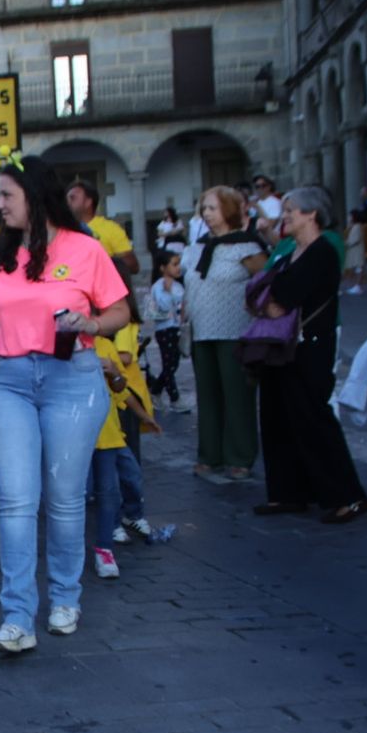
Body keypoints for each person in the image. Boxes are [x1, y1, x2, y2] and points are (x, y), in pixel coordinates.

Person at [0, 153, 131, 652]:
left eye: (6, 196)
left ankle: (66, 597)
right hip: (8, 380)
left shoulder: (85, 249)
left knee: (64, 500)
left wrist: (91, 325)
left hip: (72, 377)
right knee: (17, 501)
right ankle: (18, 616)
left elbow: (121, 310)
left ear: (35, 196)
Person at [252, 186, 367, 523]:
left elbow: (282, 295)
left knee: (312, 416)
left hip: (310, 343)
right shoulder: (290, 250)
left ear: (311, 214)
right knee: (276, 415)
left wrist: (271, 295)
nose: (284, 216)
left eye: (291, 210)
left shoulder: (323, 250)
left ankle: (347, 494)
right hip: (282, 345)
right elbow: (264, 292)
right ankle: (289, 492)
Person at [181, 186, 265, 479]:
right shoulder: (195, 248)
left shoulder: (247, 246)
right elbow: (190, 286)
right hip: (201, 330)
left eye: (213, 208)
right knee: (207, 395)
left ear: (228, 210)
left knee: (237, 395)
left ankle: (240, 456)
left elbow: (265, 282)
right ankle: (210, 454)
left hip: (234, 330)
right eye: (204, 208)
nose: (206, 213)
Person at [91, 295, 161, 578]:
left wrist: (113, 374)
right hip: (73, 437)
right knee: (76, 497)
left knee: (111, 489)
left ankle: (106, 546)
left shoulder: (106, 346)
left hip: (108, 436)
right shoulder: (59, 348)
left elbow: (121, 388)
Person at [66, 181, 138, 277]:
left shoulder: (111, 229)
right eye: (65, 199)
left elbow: (133, 266)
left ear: (88, 202)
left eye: (72, 198)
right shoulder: (60, 231)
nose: (67, 203)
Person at [147, 250, 188, 412]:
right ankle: (174, 397)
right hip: (165, 329)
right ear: (163, 268)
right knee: (169, 364)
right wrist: (169, 292)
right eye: (174, 264)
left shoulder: (178, 285)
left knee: (173, 363)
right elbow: (164, 307)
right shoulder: (159, 286)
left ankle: (156, 390)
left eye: (179, 264)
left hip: (177, 328)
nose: (178, 268)